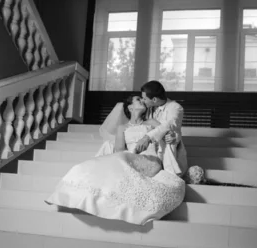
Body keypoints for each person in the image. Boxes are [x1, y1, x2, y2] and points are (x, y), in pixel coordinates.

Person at [45, 95, 186, 225]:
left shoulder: (152, 122)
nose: (142, 100)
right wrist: (133, 152)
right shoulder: (122, 128)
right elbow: (119, 150)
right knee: (96, 164)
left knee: (120, 159)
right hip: (129, 156)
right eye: (138, 99)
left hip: (150, 159)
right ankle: (72, 194)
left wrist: (174, 137)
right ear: (130, 107)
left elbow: (170, 131)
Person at [136, 81, 188, 176]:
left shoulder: (176, 108)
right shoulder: (146, 107)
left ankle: (171, 175)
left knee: (169, 137)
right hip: (150, 153)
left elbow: (169, 125)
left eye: (144, 98)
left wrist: (147, 137)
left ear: (154, 99)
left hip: (169, 151)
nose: (142, 101)